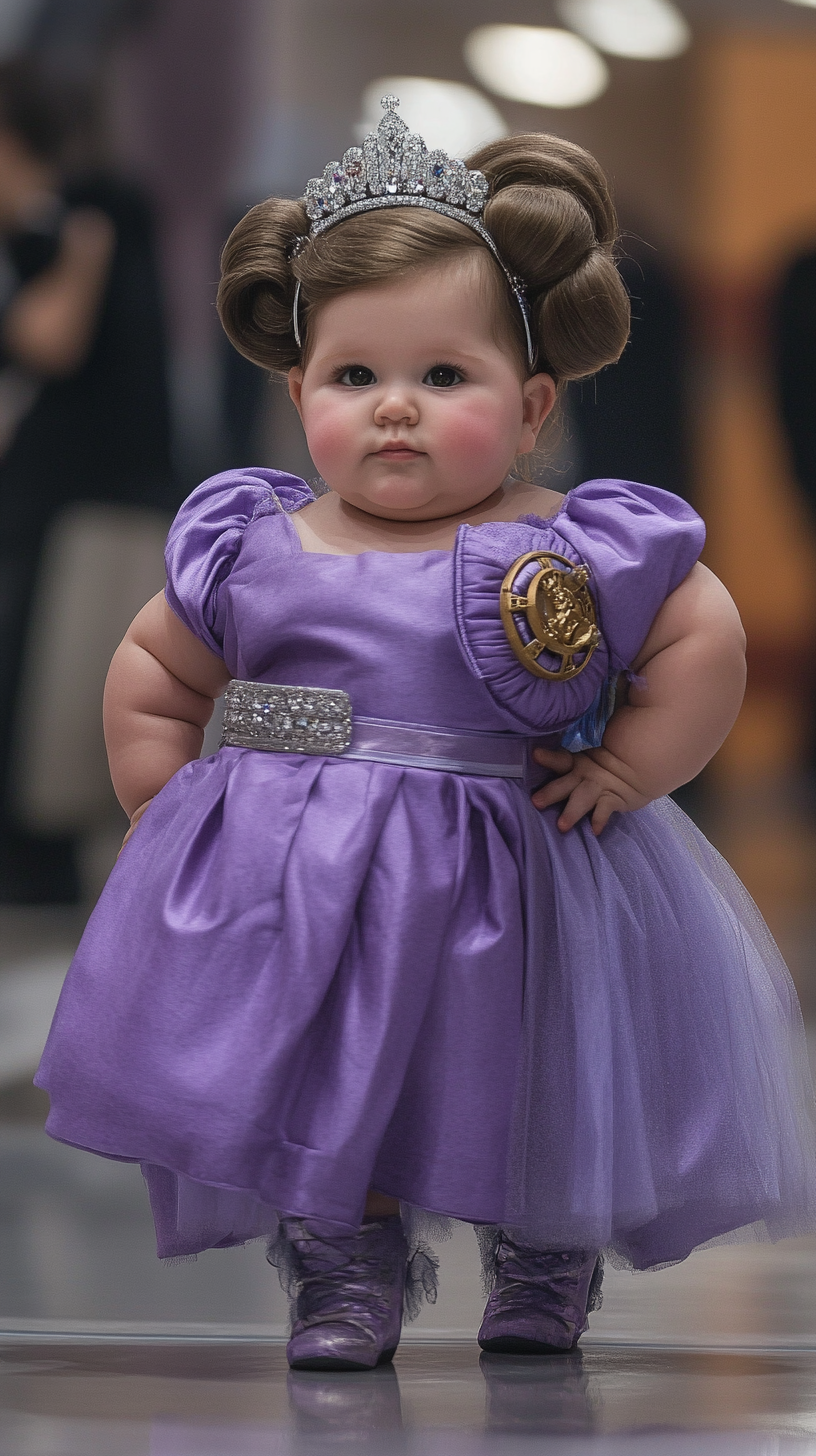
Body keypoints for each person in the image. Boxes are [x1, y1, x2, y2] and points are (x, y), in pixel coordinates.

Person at [36, 99, 816, 1371]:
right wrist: (163, 801)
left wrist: (636, 763)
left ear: (531, 404)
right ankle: (345, 1273)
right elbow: (153, 666)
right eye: (357, 377)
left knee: (529, 1081)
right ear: (299, 395)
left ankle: (543, 1264)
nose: (394, 408)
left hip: (527, 874)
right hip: (312, 886)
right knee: (345, 1084)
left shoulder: (570, 540)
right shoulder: (262, 543)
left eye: (443, 377)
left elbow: (702, 631)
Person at [0, 57, 173, 902]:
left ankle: (51, 873)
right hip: (54, 495)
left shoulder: (95, 211)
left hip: (95, 499)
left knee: (64, 694)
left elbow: (49, 340)